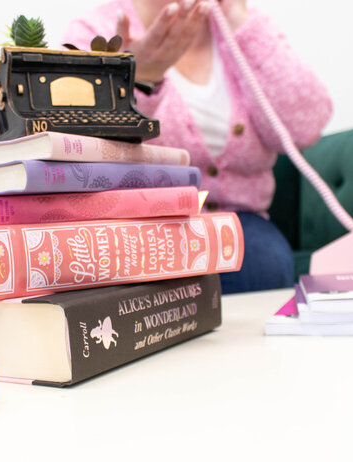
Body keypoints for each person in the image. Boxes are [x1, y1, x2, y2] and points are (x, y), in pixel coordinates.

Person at [63, 0, 333, 293]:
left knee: (262, 265)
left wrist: (239, 19)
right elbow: (81, 147)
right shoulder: (95, 32)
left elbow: (306, 127)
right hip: (137, 222)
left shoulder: (241, 27)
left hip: (236, 223)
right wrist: (140, 81)